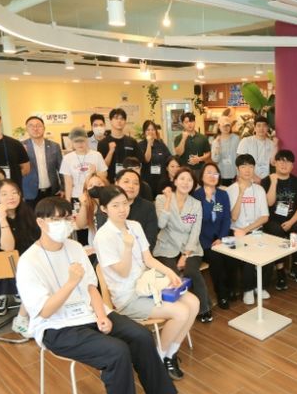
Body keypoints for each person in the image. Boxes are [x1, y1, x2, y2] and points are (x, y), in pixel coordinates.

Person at [17, 196, 189, 394]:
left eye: (67, 218)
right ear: (41, 222)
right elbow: (43, 310)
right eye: (56, 219)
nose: (64, 224)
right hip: (57, 327)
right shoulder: (28, 262)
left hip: (90, 313)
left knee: (141, 336)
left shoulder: (74, 247)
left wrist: (101, 315)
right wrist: (70, 283)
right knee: (116, 352)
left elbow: (91, 287)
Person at [93, 185, 199, 381]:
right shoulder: (103, 236)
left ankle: (169, 354)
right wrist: (127, 247)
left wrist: (170, 273)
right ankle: (158, 358)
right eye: (115, 205)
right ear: (104, 209)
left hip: (148, 285)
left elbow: (148, 259)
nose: (122, 209)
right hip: (128, 297)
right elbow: (123, 272)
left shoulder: (134, 225)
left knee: (194, 303)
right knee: (181, 312)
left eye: (124, 203)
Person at [0, 179, 39, 334]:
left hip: (24, 264)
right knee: (41, 276)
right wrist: (2, 217)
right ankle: (21, 319)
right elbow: (8, 248)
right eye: (4, 194)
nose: (11, 197)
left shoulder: (25, 212)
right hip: (2, 272)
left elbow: (39, 237)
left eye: (14, 192)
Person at [154, 167, 212, 322]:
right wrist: (168, 200)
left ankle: (204, 308)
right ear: (175, 181)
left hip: (190, 247)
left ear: (194, 184)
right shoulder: (161, 199)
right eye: (182, 178)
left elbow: (195, 231)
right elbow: (161, 224)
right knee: (172, 275)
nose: (186, 182)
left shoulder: (196, 204)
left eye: (190, 180)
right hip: (167, 246)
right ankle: (181, 310)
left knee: (191, 271)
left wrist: (185, 255)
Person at [227, 154, 271, 304]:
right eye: (244, 166)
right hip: (235, 232)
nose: (247, 170)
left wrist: (247, 230)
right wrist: (241, 193)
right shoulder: (230, 190)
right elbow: (234, 217)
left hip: (255, 231)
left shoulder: (259, 190)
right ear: (237, 169)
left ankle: (260, 286)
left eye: (251, 166)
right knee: (247, 254)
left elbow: (264, 217)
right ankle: (248, 289)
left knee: (268, 252)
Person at [261, 150, 297, 289]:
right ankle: (280, 269)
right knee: (277, 232)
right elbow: (268, 203)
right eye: (281, 160)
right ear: (275, 163)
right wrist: (274, 183)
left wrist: (291, 222)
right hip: (272, 219)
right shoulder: (266, 181)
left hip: (292, 218)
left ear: (292, 165)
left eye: (287, 161)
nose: (284, 164)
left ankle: (295, 266)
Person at [192, 162, 233, 309]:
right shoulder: (196, 196)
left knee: (232, 256)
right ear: (202, 176)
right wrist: (208, 201)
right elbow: (200, 220)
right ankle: (222, 294)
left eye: (215, 173)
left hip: (221, 237)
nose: (212, 176)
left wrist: (221, 238)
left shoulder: (223, 194)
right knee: (217, 259)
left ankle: (232, 289)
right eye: (208, 173)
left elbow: (227, 218)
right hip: (203, 240)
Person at [96, 169, 159, 247]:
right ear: (116, 183)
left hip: (141, 253)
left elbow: (150, 240)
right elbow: (105, 240)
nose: (131, 186)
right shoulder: (107, 205)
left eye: (136, 183)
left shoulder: (148, 207)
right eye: (126, 182)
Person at [21, 116, 63, 206]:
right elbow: (18, 170)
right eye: (31, 126)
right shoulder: (21, 146)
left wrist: (63, 188)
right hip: (30, 194)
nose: (35, 128)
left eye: (38, 126)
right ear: (27, 129)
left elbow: (61, 169)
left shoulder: (54, 146)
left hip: (52, 191)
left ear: (44, 128)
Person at [98, 108, 144, 182]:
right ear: (110, 121)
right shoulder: (103, 143)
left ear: (125, 122)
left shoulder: (132, 142)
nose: (119, 121)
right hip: (110, 183)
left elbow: (139, 163)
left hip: (128, 182)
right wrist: (110, 152)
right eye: (116, 118)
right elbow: (102, 167)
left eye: (122, 119)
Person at [236, 116, 278, 181]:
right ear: (254, 128)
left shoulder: (271, 143)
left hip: (265, 179)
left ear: (267, 128)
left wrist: (275, 146)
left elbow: (273, 163)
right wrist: (255, 178)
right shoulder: (245, 141)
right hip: (248, 179)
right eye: (259, 126)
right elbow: (240, 163)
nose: (261, 128)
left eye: (264, 126)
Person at [74, 173, 109, 250]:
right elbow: (80, 225)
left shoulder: (113, 201)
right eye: (91, 185)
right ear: (86, 191)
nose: (95, 187)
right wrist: (83, 205)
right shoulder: (89, 205)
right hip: (95, 247)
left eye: (99, 184)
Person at [139, 120, 171, 196]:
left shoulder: (161, 144)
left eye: (153, 129)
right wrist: (149, 144)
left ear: (155, 131)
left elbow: (169, 158)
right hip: (147, 180)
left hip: (161, 180)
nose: (150, 132)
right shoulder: (140, 145)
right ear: (144, 132)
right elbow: (146, 159)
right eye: (148, 130)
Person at [174, 112, 210, 177]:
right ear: (182, 124)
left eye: (191, 121)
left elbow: (208, 153)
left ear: (195, 122)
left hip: (200, 170)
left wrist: (200, 159)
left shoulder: (203, 137)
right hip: (184, 170)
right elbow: (179, 153)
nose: (189, 124)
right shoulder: (178, 138)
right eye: (186, 122)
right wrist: (183, 139)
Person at [210, 116, 240, 187]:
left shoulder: (236, 139)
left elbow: (239, 157)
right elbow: (215, 159)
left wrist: (239, 174)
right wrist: (217, 146)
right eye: (223, 126)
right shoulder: (215, 141)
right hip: (221, 174)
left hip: (234, 174)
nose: (225, 128)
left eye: (227, 125)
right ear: (219, 126)